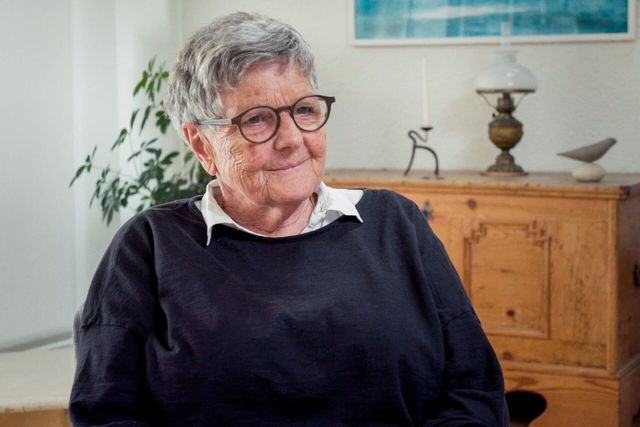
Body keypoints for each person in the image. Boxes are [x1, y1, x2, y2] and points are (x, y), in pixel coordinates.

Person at [70, 11, 508, 427]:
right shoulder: (149, 246)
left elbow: (473, 390)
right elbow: (105, 411)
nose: (293, 139)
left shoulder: (396, 224)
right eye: (257, 120)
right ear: (202, 145)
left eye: (304, 110)